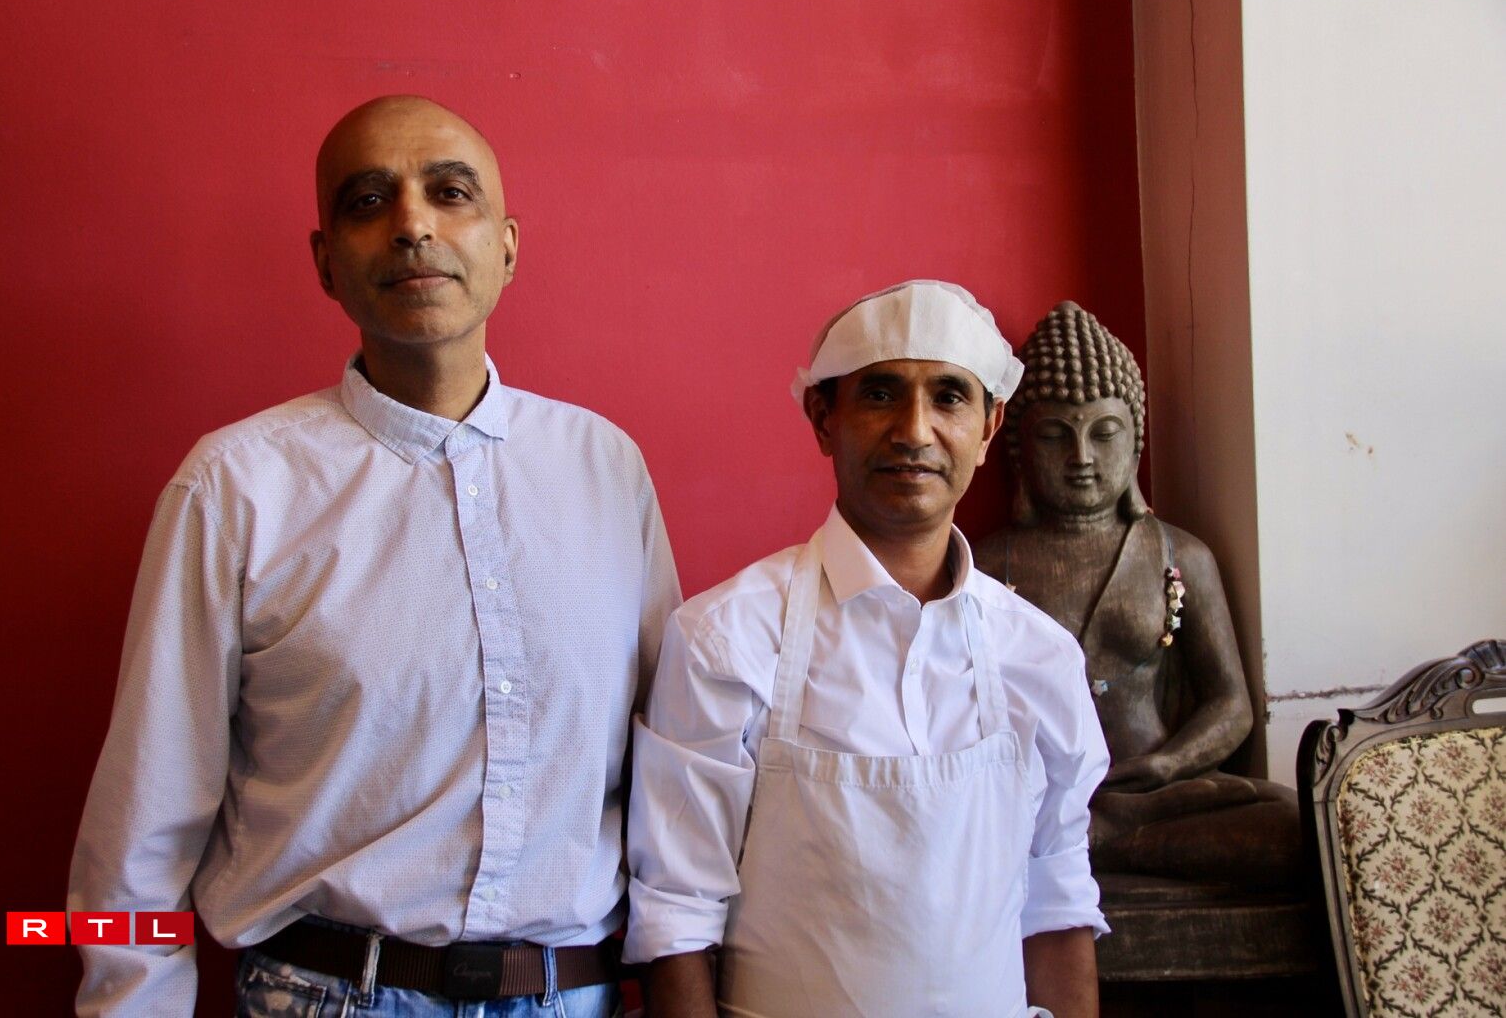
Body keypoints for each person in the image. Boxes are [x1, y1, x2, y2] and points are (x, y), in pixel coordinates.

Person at [67, 95, 681, 1018]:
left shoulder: (606, 468)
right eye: (367, 201)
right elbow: (140, 823)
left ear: (507, 246)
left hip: (574, 995)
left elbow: (670, 766)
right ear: (325, 263)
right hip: (322, 995)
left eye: (451, 193)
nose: (412, 225)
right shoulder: (234, 488)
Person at [625, 281, 1108, 1018]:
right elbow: (676, 915)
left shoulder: (1040, 655)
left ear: (988, 428)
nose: (914, 430)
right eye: (881, 395)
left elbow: (1057, 896)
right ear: (824, 419)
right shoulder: (727, 638)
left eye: (949, 396)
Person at [973, 300, 1298, 885]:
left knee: (1295, 824)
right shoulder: (987, 564)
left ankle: (1105, 842)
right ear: (1019, 450)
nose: (1081, 458)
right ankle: (1089, 839)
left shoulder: (1180, 556)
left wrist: (1168, 763)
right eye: (1054, 436)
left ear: (1135, 443)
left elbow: (1231, 704)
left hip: (1155, 794)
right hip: (1036, 799)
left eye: (1104, 434)